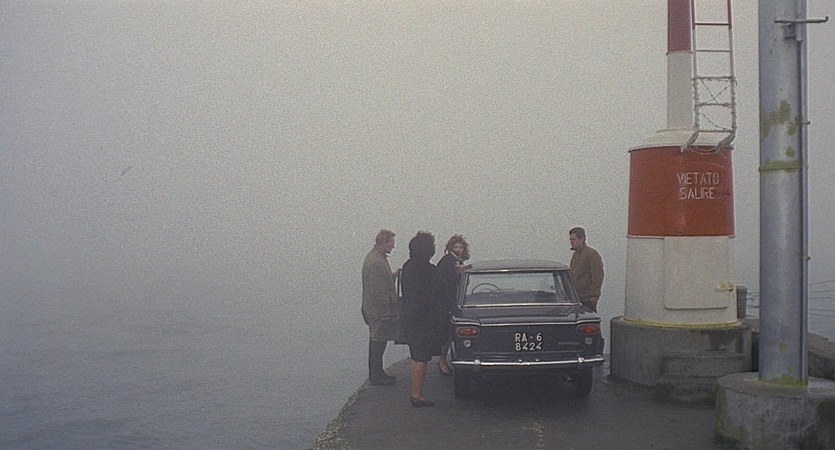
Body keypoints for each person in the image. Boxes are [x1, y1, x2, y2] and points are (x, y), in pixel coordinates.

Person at [400, 231, 444, 407]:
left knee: (416, 356)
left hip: (410, 316)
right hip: (424, 318)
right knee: (422, 357)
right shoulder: (429, 270)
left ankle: (415, 392)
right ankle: (417, 395)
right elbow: (436, 293)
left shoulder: (407, 267)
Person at [362, 229, 400, 386]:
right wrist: (386, 313)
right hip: (378, 311)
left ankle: (378, 372)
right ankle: (376, 376)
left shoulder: (377, 258)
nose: (393, 246)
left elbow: (382, 283)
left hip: (374, 309)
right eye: (391, 243)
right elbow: (379, 291)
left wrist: (393, 276)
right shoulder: (376, 262)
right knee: (377, 341)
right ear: (383, 242)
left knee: (380, 340)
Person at [435, 234, 471, 376]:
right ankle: (442, 361)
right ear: (450, 248)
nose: (459, 249)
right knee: (446, 333)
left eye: (461, 247)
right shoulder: (448, 261)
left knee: (449, 333)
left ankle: (444, 360)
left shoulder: (455, 261)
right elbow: (446, 282)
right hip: (446, 302)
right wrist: (459, 273)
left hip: (451, 301)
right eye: (456, 247)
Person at [569, 226, 604, 312]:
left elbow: (598, 275)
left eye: (573, 239)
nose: (571, 242)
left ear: (582, 239)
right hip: (576, 298)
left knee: (589, 319)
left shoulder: (592, 254)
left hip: (588, 299)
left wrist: (594, 295)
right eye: (570, 239)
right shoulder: (575, 255)